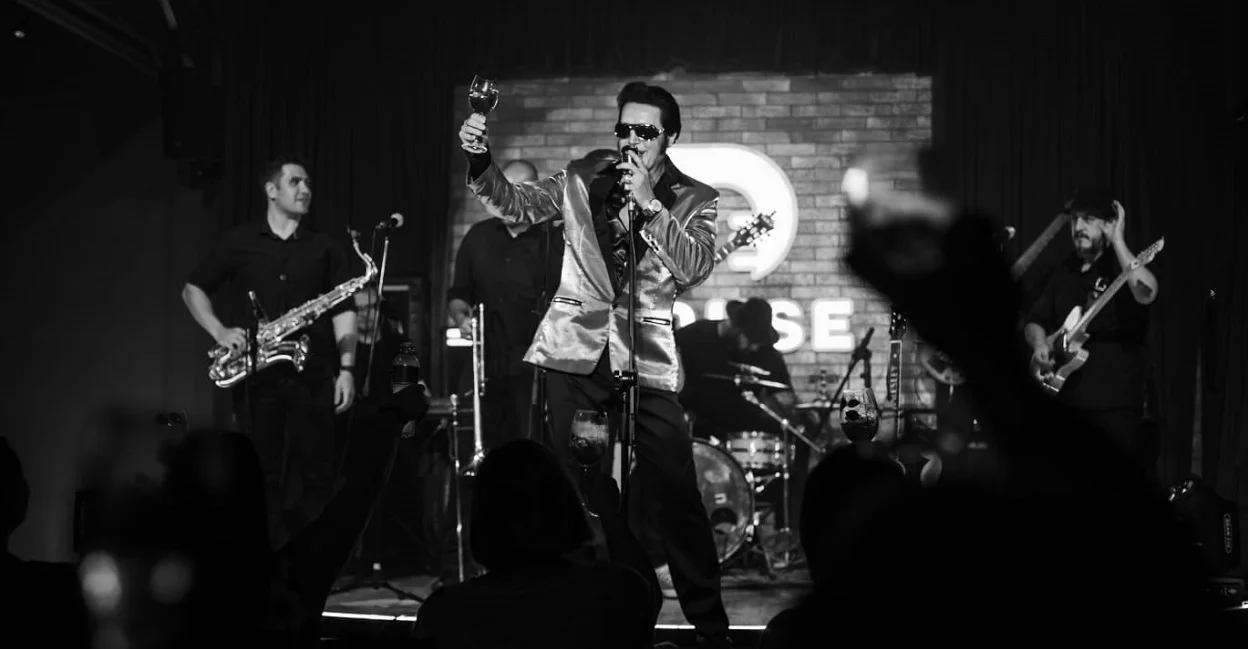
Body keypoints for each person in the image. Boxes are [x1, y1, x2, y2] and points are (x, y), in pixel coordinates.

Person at [457, 80, 732, 648]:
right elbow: (517, 204)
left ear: (670, 137)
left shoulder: (695, 198)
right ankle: (605, 607)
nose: (632, 140)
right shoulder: (583, 176)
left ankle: (711, 627)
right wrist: (479, 157)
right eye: (624, 128)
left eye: (646, 131)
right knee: (582, 487)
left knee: (676, 491)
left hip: (646, 359)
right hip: (575, 353)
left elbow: (693, 267)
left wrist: (650, 204)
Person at [182, 155, 359, 549]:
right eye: (295, 182)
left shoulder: (325, 247)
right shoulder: (239, 242)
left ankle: (313, 558)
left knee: (318, 475)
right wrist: (219, 330)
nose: (305, 190)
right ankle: (262, 558)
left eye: (308, 183)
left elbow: (344, 310)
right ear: (271, 190)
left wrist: (347, 368)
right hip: (257, 379)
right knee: (260, 476)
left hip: (313, 376)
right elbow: (192, 290)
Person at [1024, 188, 1159, 476]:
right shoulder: (1064, 272)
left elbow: (1147, 293)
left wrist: (1118, 241)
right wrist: (1039, 345)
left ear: (1109, 225)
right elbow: (1035, 320)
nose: (1079, 227)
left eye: (1089, 220)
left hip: (1113, 405)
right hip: (1065, 403)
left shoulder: (1122, 268)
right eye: (1075, 220)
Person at [674, 297, 812, 550]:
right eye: (750, 339)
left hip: (748, 429)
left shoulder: (766, 353)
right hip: (700, 428)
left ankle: (788, 533)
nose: (754, 347)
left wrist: (800, 417)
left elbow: (785, 398)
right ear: (735, 326)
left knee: (799, 442)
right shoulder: (694, 337)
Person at [447, 158, 564, 445]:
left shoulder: (553, 239)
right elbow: (459, 294)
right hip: (487, 361)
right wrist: (462, 319)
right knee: (480, 440)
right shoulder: (478, 236)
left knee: (530, 443)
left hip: (536, 365)